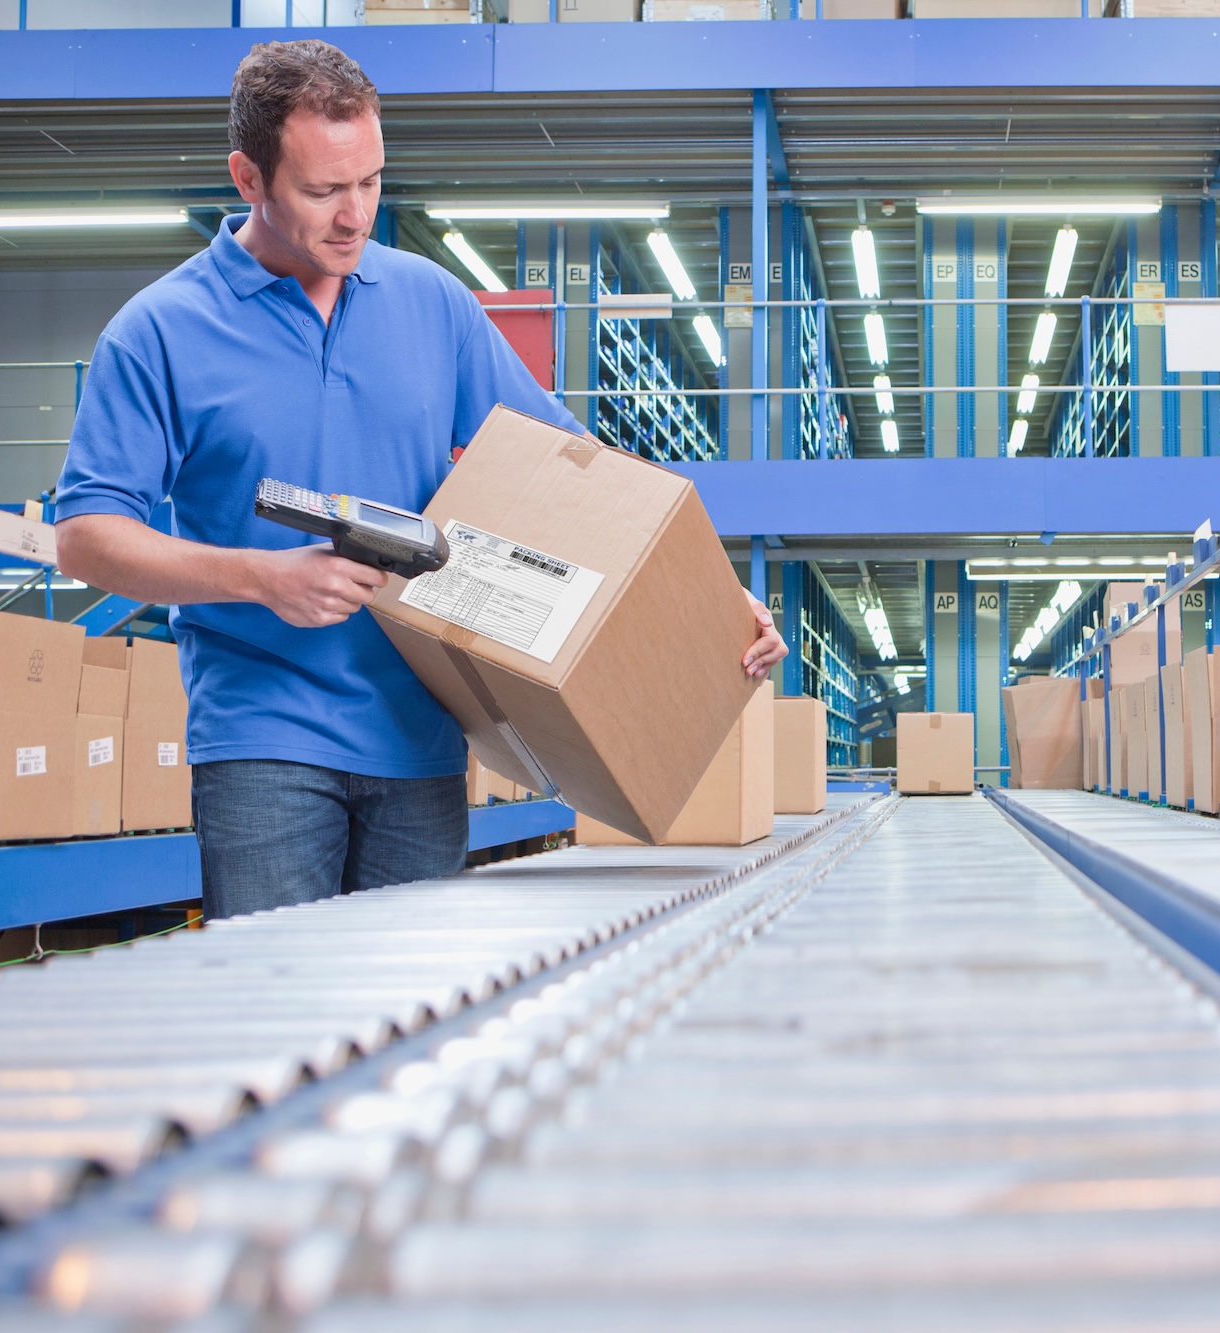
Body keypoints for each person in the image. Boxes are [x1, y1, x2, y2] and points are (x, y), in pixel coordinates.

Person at [55, 40, 785, 920]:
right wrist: (262, 578)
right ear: (248, 178)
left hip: (423, 738)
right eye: (323, 191)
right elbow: (87, 534)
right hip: (263, 738)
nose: (354, 215)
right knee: (279, 1018)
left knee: (417, 1027)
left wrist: (705, 600)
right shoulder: (160, 333)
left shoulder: (430, 304)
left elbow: (575, 470)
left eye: (369, 182)